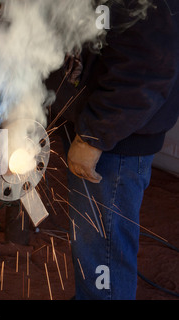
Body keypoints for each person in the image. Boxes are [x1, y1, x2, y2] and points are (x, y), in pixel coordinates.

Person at [49, 0, 179, 299]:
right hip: (91, 120)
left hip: (115, 139)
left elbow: (148, 66)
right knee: (91, 244)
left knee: (101, 248)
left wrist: (94, 136)